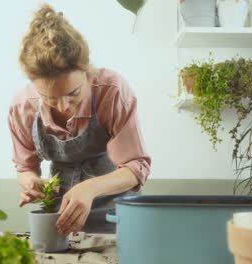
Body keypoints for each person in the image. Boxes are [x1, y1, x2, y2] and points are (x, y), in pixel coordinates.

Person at [9, 4, 151, 235]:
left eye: (73, 93)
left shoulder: (111, 91)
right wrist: (32, 183)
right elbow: (25, 169)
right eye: (48, 98)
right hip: (61, 216)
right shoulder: (22, 107)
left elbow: (136, 168)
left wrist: (90, 188)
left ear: (87, 71)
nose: (63, 106)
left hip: (118, 215)